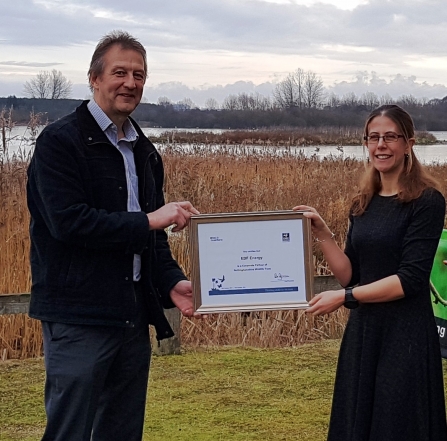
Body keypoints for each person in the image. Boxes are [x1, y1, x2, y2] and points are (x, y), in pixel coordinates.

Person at [26, 30, 201, 441]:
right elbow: (68, 223)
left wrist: (172, 282)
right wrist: (149, 220)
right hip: (78, 318)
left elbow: (152, 241)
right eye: (119, 72)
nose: (130, 83)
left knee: (121, 433)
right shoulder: (59, 143)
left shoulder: (144, 150)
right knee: (69, 431)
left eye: (139, 75)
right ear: (94, 78)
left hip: (131, 317)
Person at [294, 104, 447, 440]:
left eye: (390, 137)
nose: (381, 145)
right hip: (365, 333)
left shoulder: (428, 201)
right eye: (374, 137)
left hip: (405, 334)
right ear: (366, 143)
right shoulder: (363, 201)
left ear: (408, 143)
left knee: (397, 425)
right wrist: (322, 233)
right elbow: (351, 274)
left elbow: (409, 280)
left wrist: (346, 298)